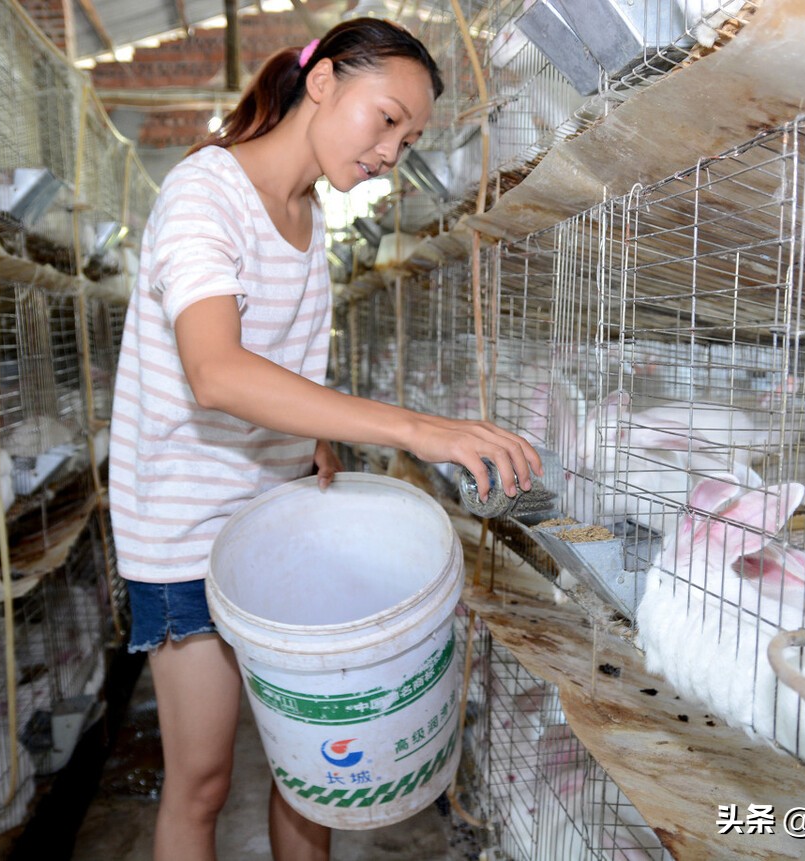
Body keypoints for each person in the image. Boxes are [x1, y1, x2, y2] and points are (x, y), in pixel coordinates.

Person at [108, 17, 542, 861]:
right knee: (199, 782)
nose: (391, 150)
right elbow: (219, 373)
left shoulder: (308, 218)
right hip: (184, 531)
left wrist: (315, 442)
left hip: (276, 523)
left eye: (408, 138)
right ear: (322, 82)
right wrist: (417, 428)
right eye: (386, 119)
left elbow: (279, 371)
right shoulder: (205, 194)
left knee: (311, 773)